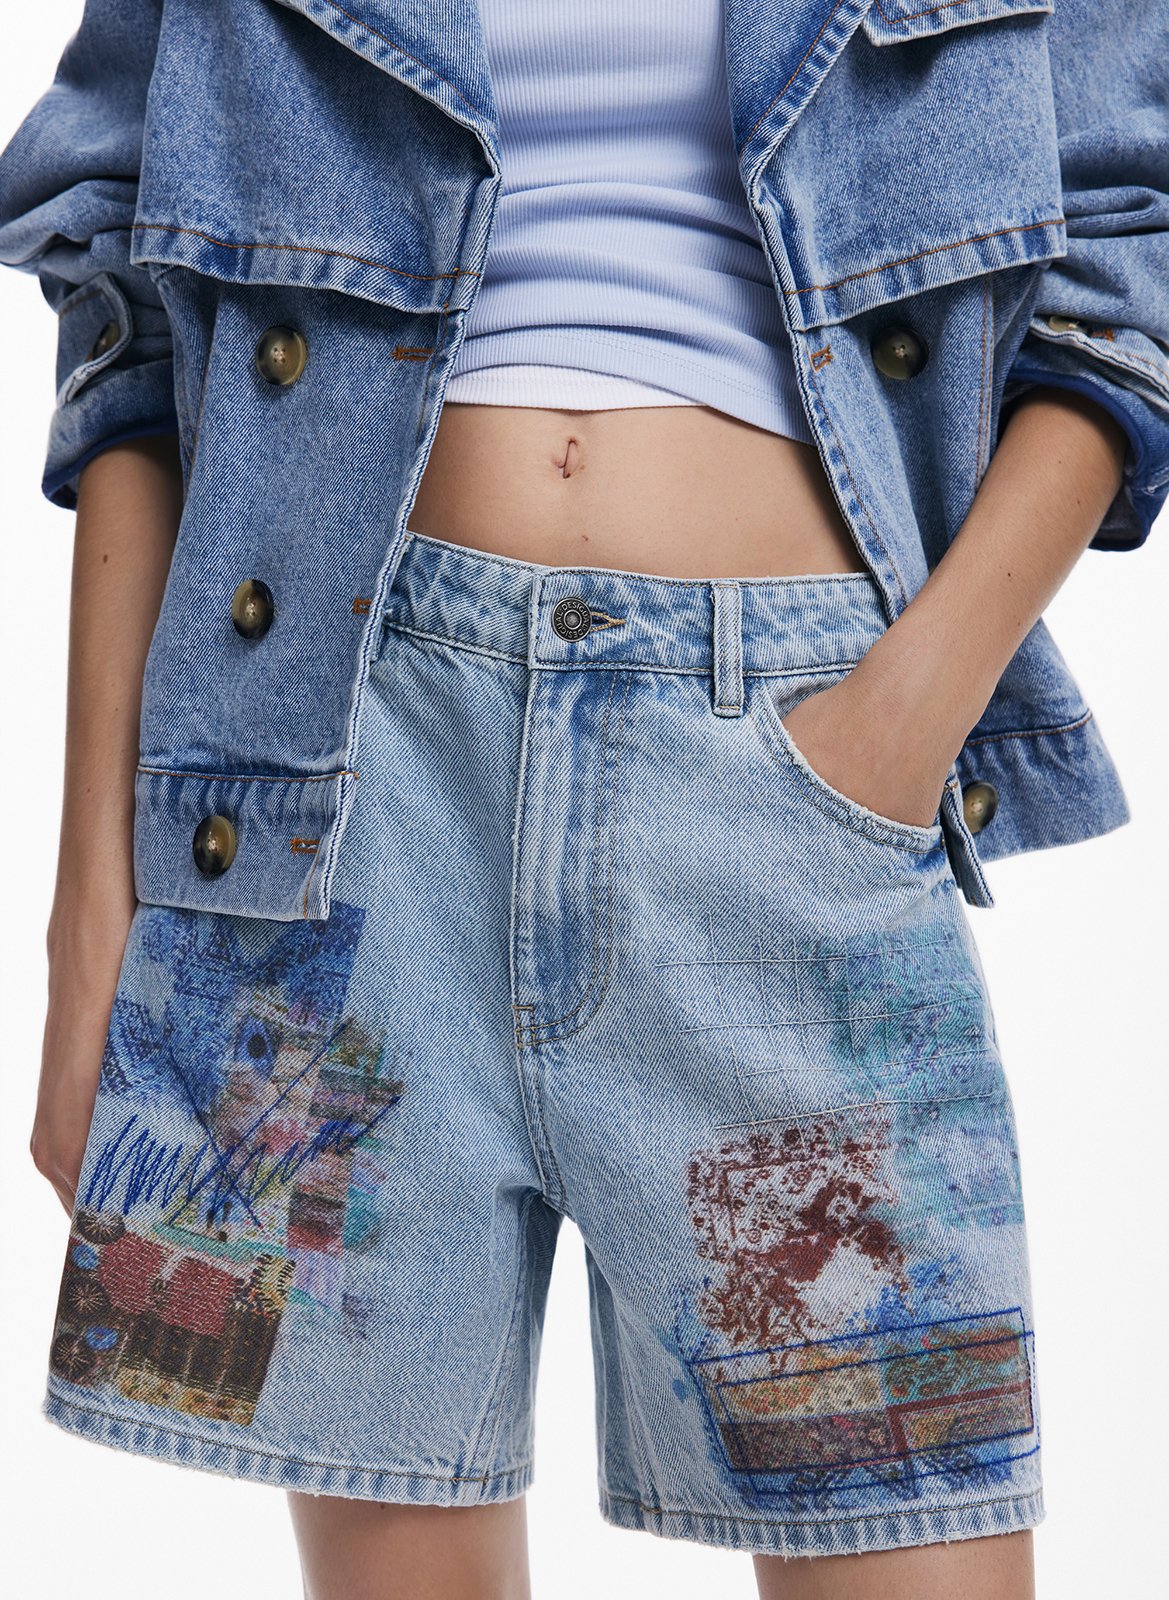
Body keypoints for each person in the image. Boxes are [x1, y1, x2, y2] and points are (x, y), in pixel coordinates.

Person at [0, 1, 1164, 1597]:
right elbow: (126, 317)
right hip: (328, 804)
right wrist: (87, 927)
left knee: (920, 1540)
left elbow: (1127, 262)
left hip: (787, 798)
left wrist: (898, 721)